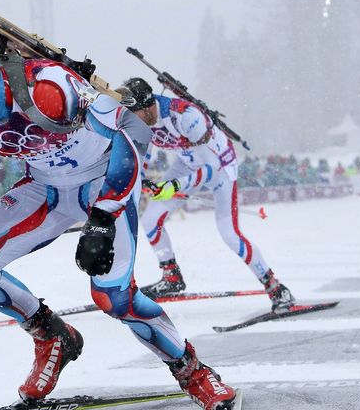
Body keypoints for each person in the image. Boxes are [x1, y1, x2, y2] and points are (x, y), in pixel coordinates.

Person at [0, 23, 235, 410]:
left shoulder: (48, 89)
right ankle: (54, 336)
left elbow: (133, 128)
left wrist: (104, 216)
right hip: (46, 188)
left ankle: (193, 372)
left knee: (112, 297)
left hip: (104, 182)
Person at [118, 77, 295, 312]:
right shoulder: (142, 119)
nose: (133, 121)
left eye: (135, 114)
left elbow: (212, 168)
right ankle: (172, 277)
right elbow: (142, 158)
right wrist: (138, 179)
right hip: (185, 165)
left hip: (220, 168)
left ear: (148, 106)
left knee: (229, 233)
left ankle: (275, 287)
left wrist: (176, 185)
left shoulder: (185, 117)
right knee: (150, 219)